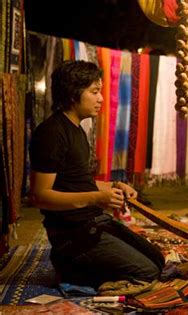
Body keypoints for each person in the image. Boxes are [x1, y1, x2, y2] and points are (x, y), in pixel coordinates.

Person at [29, 60, 164, 287]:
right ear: (73, 94)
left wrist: (114, 186)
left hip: (94, 222)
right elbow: (40, 196)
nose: (101, 99)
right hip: (73, 236)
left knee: (158, 260)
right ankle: (71, 267)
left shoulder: (77, 129)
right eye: (94, 92)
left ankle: (86, 265)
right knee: (147, 273)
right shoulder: (51, 134)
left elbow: (76, 182)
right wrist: (97, 198)